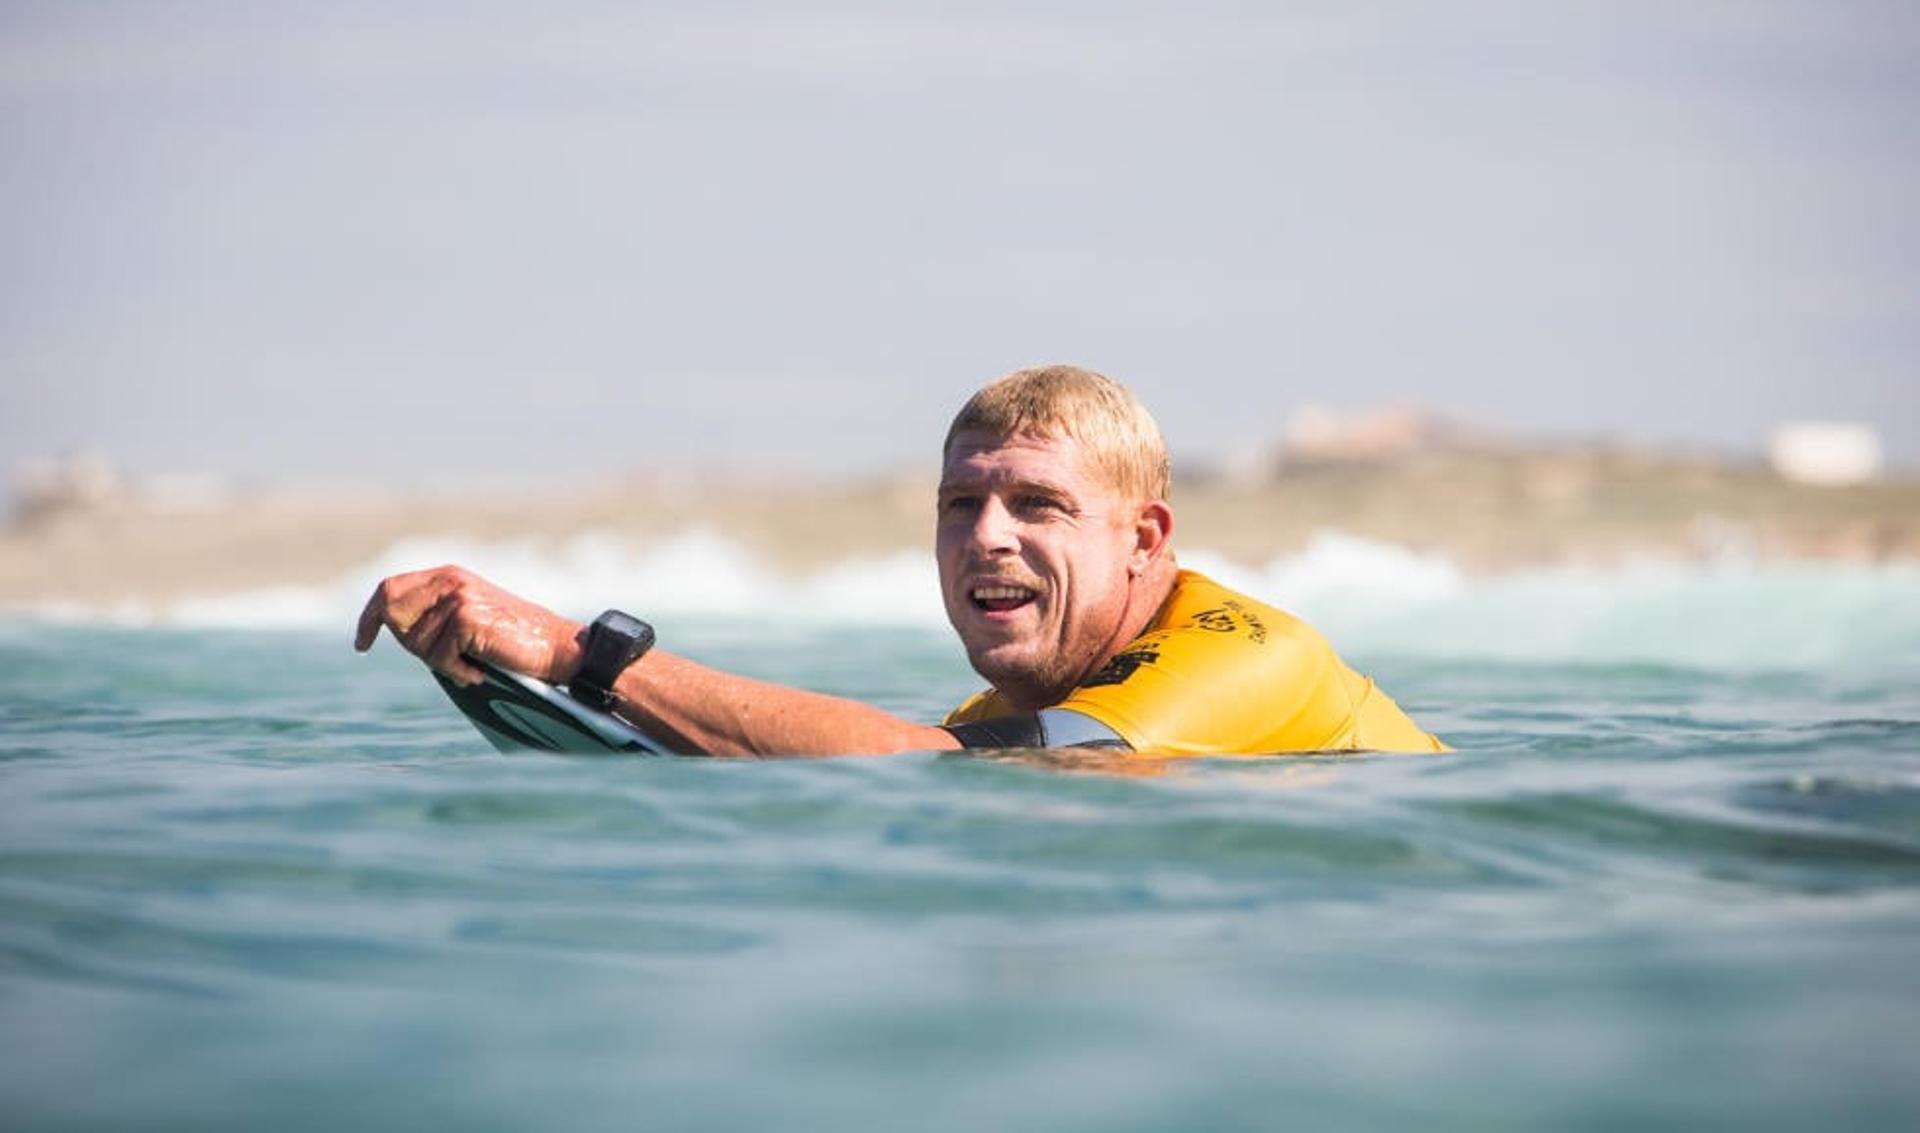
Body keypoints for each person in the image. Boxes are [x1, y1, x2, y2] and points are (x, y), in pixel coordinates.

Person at [354, 366, 1447, 757]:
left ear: (1144, 539)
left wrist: (575, 650)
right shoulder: (1005, 720)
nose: (988, 536)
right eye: (961, 503)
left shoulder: (1242, 657)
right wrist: (485, 677)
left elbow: (920, 768)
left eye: (1037, 505)